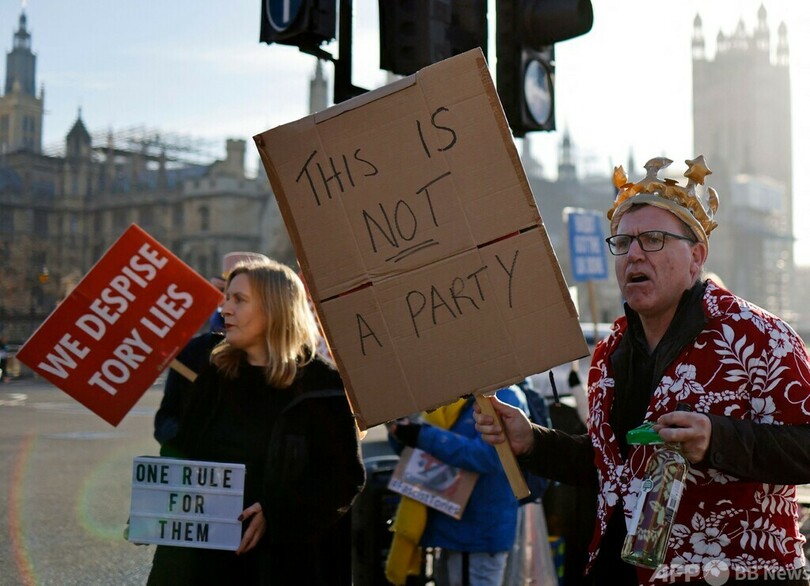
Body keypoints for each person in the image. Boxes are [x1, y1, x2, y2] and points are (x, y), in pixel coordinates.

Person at [474, 156, 810, 585]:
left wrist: (718, 438)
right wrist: (532, 442)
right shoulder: (610, 351)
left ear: (696, 256)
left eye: (652, 239)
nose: (633, 254)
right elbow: (612, 467)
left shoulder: (760, 337)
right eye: (622, 242)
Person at [147, 258, 366, 585]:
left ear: (275, 309)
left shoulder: (323, 385)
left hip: (281, 563)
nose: (224, 309)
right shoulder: (210, 373)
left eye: (239, 300)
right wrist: (155, 509)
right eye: (226, 298)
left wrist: (276, 512)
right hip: (201, 563)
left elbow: (343, 478)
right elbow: (181, 449)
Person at [385, 385, 528, 586]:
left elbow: (487, 457)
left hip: (478, 532)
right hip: (449, 525)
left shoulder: (505, 397)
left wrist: (422, 435)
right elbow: (420, 456)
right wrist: (400, 432)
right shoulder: (453, 396)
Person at [153, 252, 269, 455]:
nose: (225, 307)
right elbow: (165, 419)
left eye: (240, 298)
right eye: (223, 295)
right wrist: (186, 437)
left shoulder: (295, 363)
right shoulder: (193, 354)